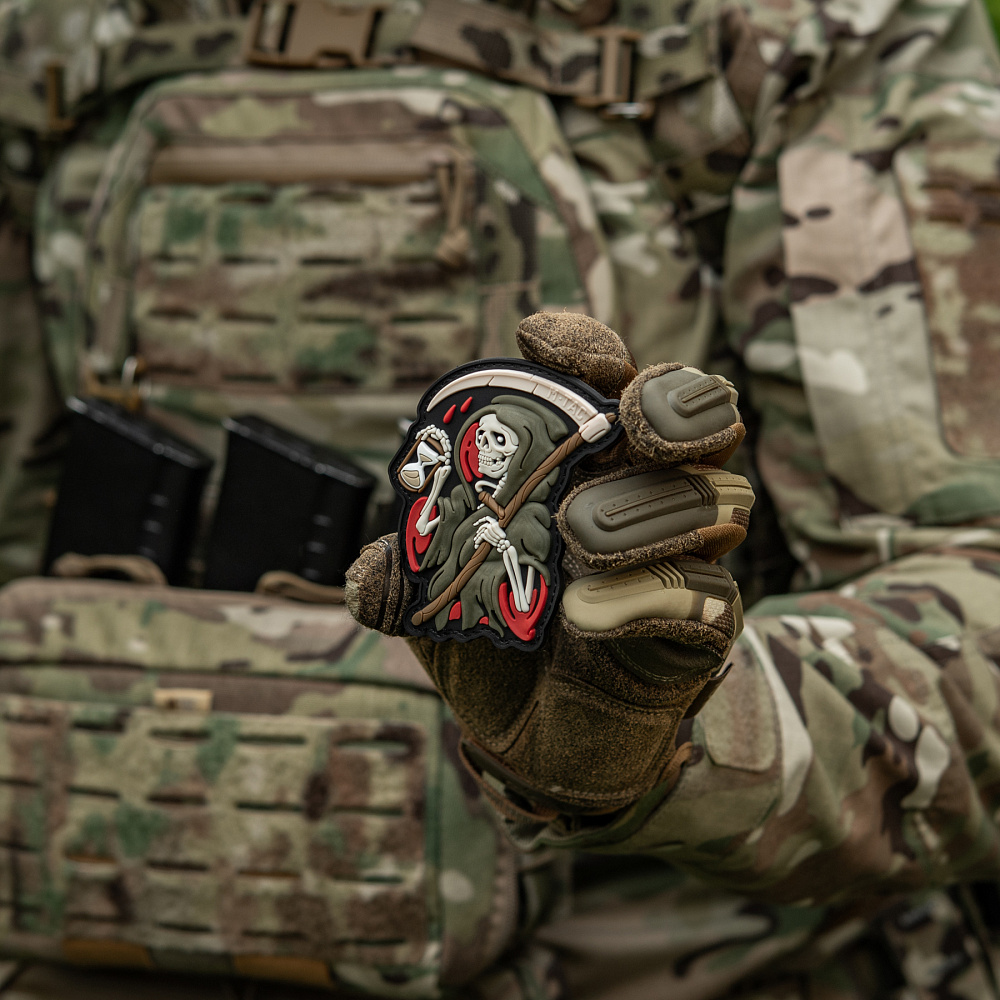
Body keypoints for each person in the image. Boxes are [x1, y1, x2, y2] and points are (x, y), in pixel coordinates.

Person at [1, 1, 1000, 998]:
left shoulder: (787, 29)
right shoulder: (52, 31)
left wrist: (664, 733)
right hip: (95, 913)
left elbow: (976, 607)